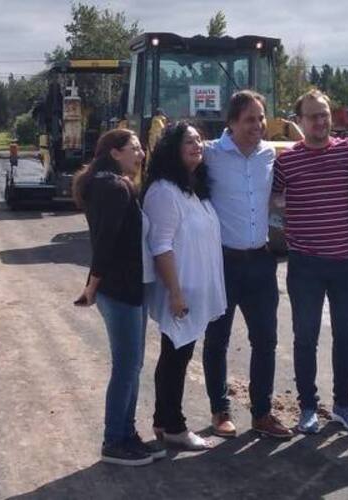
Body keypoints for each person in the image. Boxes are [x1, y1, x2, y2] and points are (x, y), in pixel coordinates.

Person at [271, 89, 348, 434]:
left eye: (324, 113)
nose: (320, 120)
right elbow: (270, 199)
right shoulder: (286, 162)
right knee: (305, 337)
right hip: (305, 265)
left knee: (346, 336)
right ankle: (308, 407)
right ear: (299, 121)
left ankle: (344, 405)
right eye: (312, 115)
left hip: (346, 263)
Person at [202, 90, 295, 440]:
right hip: (222, 262)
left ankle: (262, 413)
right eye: (249, 119)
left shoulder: (270, 154)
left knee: (266, 340)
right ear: (231, 123)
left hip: (261, 261)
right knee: (217, 339)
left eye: (260, 118)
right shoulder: (210, 154)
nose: (257, 125)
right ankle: (220, 410)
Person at [72, 129, 165, 466]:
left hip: (129, 287)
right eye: (135, 148)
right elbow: (106, 243)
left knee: (133, 365)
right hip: (120, 289)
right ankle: (114, 440)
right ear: (115, 152)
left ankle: (127, 434)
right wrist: (93, 285)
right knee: (127, 367)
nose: (140, 154)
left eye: (141, 148)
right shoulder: (114, 188)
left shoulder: (107, 183)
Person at [143, 121, 227, 450]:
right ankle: (175, 426)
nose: (197, 146)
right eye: (189, 141)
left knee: (177, 355)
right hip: (180, 293)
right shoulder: (164, 191)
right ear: (172, 149)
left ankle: (164, 422)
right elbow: (160, 246)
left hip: (194, 291)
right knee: (175, 357)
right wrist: (175, 293)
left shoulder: (193, 189)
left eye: (199, 140)